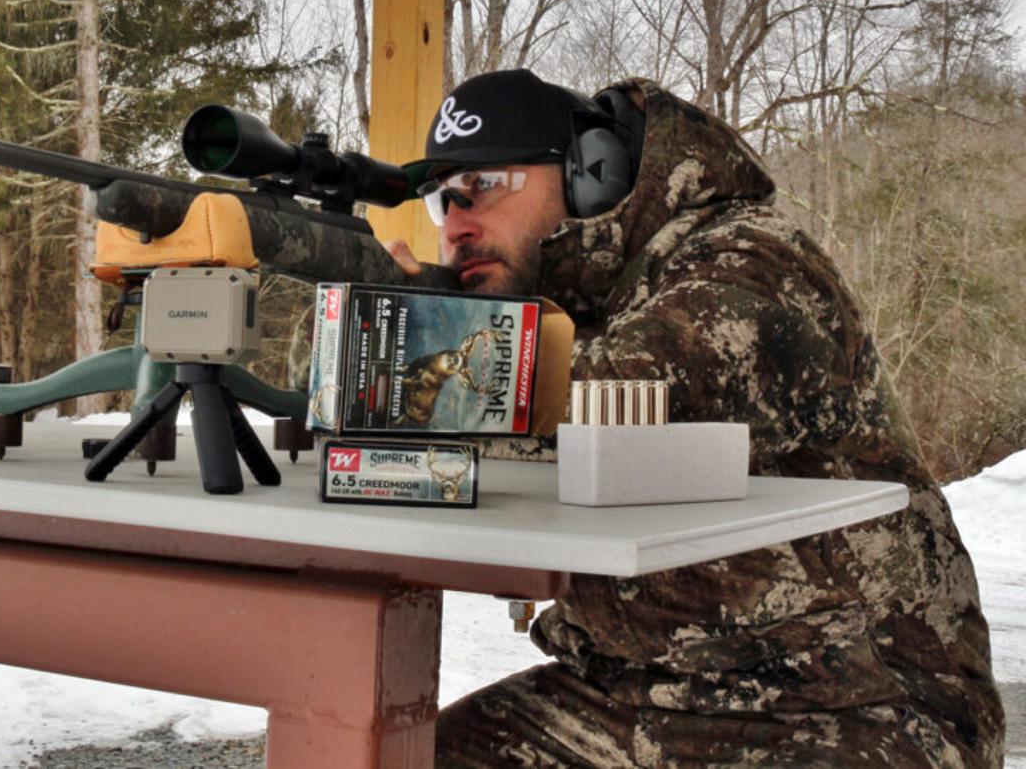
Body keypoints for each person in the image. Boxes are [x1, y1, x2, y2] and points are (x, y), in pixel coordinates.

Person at [386, 69, 1004, 767]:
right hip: (626, 693)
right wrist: (373, 329)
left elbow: (625, 400)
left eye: (484, 185)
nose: (457, 227)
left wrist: (414, 346)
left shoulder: (756, 260)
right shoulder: (552, 310)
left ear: (592, 172)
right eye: (442, 202)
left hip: (851, 700)